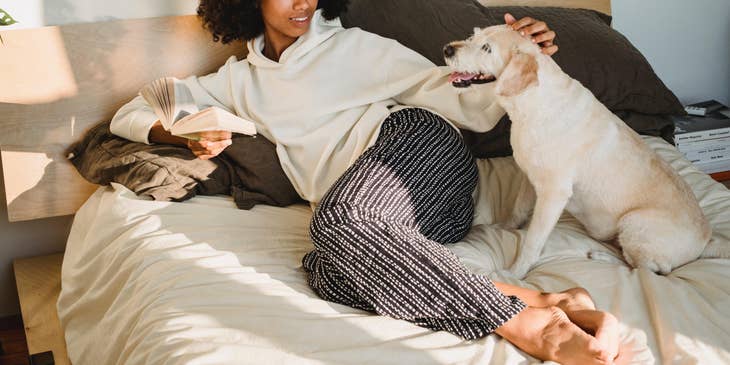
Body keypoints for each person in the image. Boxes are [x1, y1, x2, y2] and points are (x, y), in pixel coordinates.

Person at [110, 0, 624, 363]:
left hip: (419, 152)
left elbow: (469, 104)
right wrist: (179, 134)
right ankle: (540, 298)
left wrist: (520, 59)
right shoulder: (233, 83)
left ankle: (533, 325)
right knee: (327, 269)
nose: (303, 3)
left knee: (337, 224)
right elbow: (131, 114)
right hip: (376, 226)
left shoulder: (356, 47)